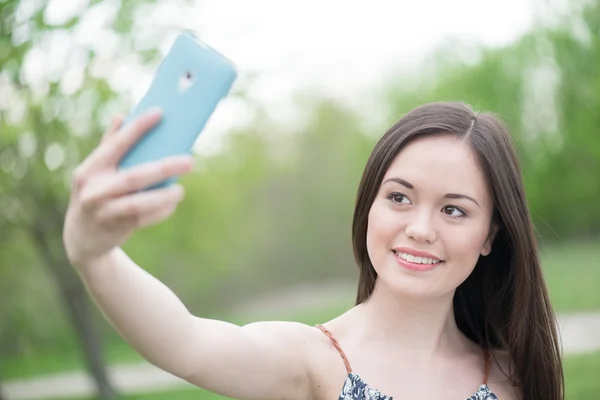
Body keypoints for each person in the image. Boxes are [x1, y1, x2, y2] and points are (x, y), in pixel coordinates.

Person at [63, 101, 564, 400]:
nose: (419, 228)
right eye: (398, 197)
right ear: (369, 205)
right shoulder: (315, 361)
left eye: (453, 210)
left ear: (491, 236)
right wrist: (94, 254)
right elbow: (186, 344)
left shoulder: (511, 375)